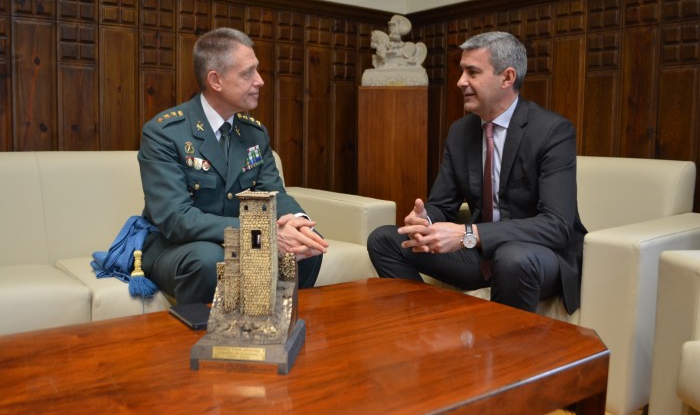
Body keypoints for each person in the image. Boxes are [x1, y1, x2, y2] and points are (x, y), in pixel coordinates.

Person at [367, 31, 587, 314]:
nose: (460, 82)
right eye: (461, 72)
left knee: (512, 258)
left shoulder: (552, 132)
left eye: (472, 72)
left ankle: (504, 353)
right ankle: (430, 326)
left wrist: (467, 234)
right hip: (480, 255)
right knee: (384, 240)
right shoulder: (461, 132)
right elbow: (442, 205)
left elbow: (556, 226)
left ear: (507, 78)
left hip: (539, 254)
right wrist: (425, 220)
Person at [138, 27, 328, 305]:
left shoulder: (254, 133)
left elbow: (274, 194)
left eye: (258, 71)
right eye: (248, 73)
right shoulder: (166, 132)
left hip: (243, 240)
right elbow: (176, 220)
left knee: (306, 245)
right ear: (216, 80)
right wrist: (263, 232)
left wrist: (298, 224)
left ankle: (273, 328)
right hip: (176, 247)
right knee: (209, 259)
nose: (260, 81)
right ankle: (198, 340)